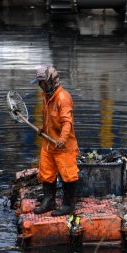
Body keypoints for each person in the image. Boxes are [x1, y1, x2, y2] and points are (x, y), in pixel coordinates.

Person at [31, 65, 80, 216]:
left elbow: (67, 122)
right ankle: (49, 201)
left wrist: (62, 139)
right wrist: (43, 128)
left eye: (42, 83)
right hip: (49, 144)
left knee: (68, 175)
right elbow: (49, 118)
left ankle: (68, 205)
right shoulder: (46, 96)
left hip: (63, 146)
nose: (40, 86)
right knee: (46, 172)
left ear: (51, 81)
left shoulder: (63, 98)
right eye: (40, 83)